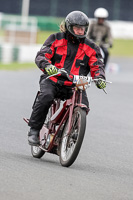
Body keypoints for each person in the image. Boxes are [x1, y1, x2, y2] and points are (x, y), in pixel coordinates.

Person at [28, 10, 106, 146]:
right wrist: (47, 66)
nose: (80, 32)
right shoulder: (55, 38)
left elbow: (97, 65)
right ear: (69, 27)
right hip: (53, 79)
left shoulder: (92, 47)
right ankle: (34, 130)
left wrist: (100, 78)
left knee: (84, 106)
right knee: (46, 96)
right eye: (77, 28)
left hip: (76, 84)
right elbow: (41, 55)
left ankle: (72, 129)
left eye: (83, 29)